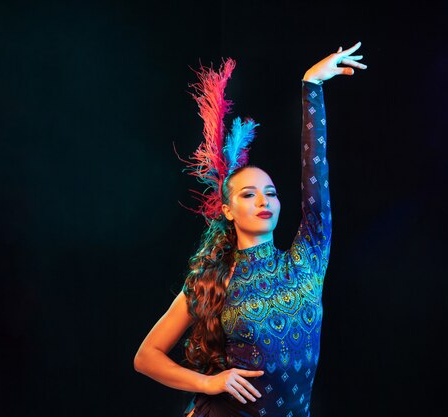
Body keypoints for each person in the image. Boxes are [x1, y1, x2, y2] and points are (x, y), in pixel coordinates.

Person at [134, 42, 366, 417]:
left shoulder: (306, 260)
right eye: (249, 194)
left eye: (271, 193)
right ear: (227, 209)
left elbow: (316, 184)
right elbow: (146, 357)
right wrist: (210, 382)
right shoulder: (213, 281)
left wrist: (312, 87)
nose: (263, 201)